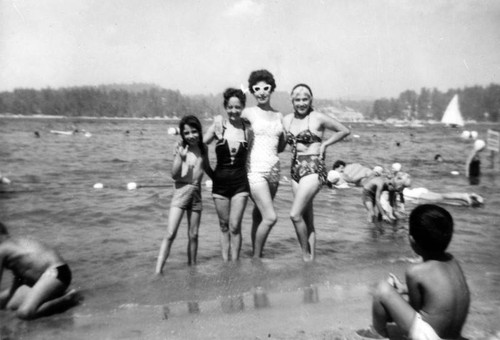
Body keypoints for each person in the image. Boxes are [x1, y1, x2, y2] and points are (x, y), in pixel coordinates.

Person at [370, 204, 470, 340]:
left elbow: (416, 310)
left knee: (382, 289)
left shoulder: (415, 272)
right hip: (454, 335)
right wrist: (404, 289)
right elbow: (437, 290)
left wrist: (389, 310)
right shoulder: (452, 261)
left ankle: (378, 336)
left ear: (412, 240)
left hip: (431, 337)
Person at [283, 83, 350, 261]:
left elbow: (344, 130)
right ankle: (311, 263)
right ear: (292, 100)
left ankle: (305, 257)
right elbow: (280, 142)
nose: (301, 103)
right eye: (297, 100)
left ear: (311, 99)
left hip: (314, 167)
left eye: (305, 99)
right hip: (295, 168)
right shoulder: (287, 119)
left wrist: (325, 144)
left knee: (294, 215)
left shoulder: (318, 118)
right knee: (307, 220)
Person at [155, 115, 212, 274]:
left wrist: (218, 180)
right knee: (170, 233)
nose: (191, 136)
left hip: (196, 192)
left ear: (200, 131)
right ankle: (158, 271)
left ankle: (192, 269)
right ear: (182, 134)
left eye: (194, 132)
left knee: (193, 234)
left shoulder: (203, 148)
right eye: (186, 133)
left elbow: (206, 167)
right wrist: (181, 158)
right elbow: (174, 174)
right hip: (181, 191)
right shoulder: (181, 148)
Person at [241, 69, 286, 258]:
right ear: (252, 91)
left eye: (265, 88)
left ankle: (256, 252)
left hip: (274, 170)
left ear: (271, 89)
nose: (261, 92)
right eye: (256, 89)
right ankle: (257, 258)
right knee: (271, 217)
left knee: (259, 215)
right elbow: (231, 124)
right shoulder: (248, 112)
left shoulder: (279, 116)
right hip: (254, 170)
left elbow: (281, 146)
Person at [204, 88, 250, 262]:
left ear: (243, 107)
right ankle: (225, 263)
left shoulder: (248, 129)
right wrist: (209, 171)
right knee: (224, 226)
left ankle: (235, 264)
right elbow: (200, 146)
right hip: (220, 184)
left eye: (237, 107)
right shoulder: (218, 126)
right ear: (225, 107)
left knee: (235, 226)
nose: (233, 111)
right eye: (230, 107)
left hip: (240, 184)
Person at [0, 222, 79, 319]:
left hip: (53, 274)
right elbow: (21, 275)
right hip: (59, 273)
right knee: (10, 306)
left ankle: (67, 299)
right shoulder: (15, 243)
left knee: (24, 313)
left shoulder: (2, 249)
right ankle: (55, 295)